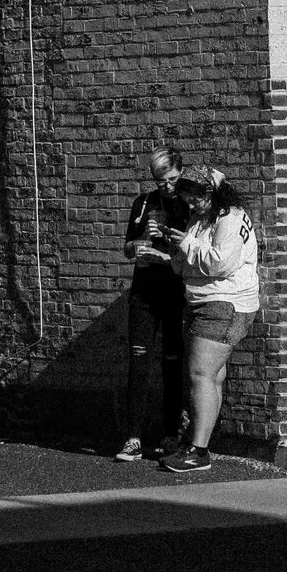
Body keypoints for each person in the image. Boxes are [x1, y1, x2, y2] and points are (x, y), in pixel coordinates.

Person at [153, 166, 260, 474]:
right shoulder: (202, 219)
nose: (193, 202)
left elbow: (220, 264)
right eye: (189, 196)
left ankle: (198, 451)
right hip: (206, 303)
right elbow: (185, 266)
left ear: (214, 192)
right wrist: (176, 249)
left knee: (200, 373)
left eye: (200, 195)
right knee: (212, 376)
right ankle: (200, 443)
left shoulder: (230, 218)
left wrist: (187, 245)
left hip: (224, 304)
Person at [116, 144, 191, 461]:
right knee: (139, 362)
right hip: (144, 293)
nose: (167, 186)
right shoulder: (144, 203)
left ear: (181, 173)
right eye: (161, 181)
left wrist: (166, 249)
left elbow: (191, 255)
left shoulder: (188, 206)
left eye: (172, 179)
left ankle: (172, 434)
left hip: (174, 292)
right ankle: (133, 437)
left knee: (173, 363)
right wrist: (143, 241)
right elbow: (128, 249)